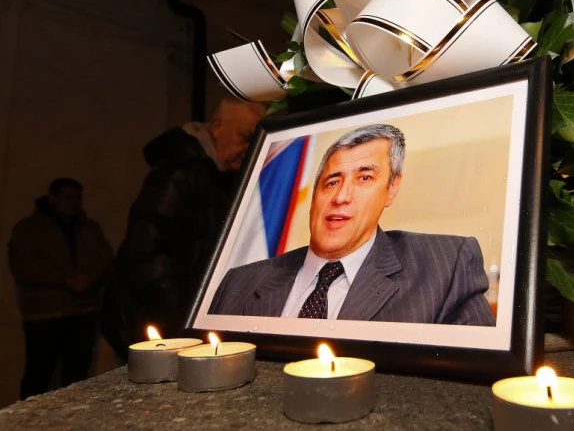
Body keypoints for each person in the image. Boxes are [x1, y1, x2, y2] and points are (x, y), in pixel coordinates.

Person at [209, 124, 496, 326]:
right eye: (332, 182)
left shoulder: (444, 268)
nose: (341, 197)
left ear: (392, 189)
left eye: (364, 178)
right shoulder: (239, 282)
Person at [100, 97, 267, 359]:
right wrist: (182, 327)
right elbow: (148, 255)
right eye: (245, 137)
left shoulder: (219, 176)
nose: (249, 148)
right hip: (155, 330)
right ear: (217, 127)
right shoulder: (179, 173)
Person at [8, 178, 113, 399]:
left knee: (77, 374)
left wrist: (88, 278)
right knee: (39, 371)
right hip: (46, 312)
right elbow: (24, 265)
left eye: (77, 197)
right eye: (68, 197)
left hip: (83, 310)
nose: (74, 202)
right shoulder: (30, 229)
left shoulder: (87, 227)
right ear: (53, 198)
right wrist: (64, 279)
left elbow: (103, 257)